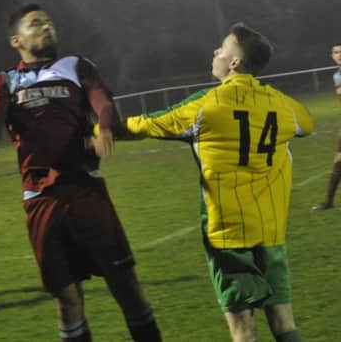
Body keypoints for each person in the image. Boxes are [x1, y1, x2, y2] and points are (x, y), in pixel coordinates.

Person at [104, 23, 313, 342]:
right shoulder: (282, 104)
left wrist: (99, 130)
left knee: (243, 330)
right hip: (271, 229)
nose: (215, 52)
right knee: (284, 322)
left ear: (234, 63)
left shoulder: (207, 104)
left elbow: (146, 124)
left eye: (222, 48)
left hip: (227, 234)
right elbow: (306, 124)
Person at [0, 4, 162, 342]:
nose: (47, 27)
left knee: (125, 285)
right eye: (36, 23)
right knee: (67, 301)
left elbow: (102, 101)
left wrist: (104, 127)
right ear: (16, 40)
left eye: (49, 22)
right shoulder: (6, 80)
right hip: (41, 199)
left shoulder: (75, 65)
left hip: (85, 190)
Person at [312, 42, 341, 211]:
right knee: (338, 161)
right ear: (332, 55)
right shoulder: (337, 76)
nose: (339, 55)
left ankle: (329, 201)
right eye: (336, 52)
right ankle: (329, 201)